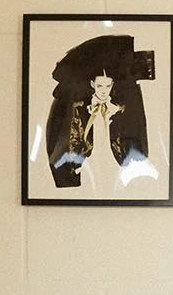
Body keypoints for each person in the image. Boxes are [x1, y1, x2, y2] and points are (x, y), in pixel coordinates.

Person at [45, 35, 155, 189]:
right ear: (92, 84)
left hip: (112, 162)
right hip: (91, 163)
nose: (103, 91)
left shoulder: (118, 109)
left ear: (112, 86)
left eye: (107, 86)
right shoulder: (82, 109)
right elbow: (72, 137)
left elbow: (132, 133)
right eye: (100, 86)